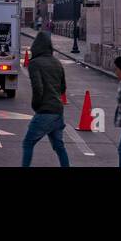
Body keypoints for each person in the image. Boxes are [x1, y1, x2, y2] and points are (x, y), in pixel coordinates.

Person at [21, 31, 70, 167]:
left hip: (45, 111)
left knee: (28, 143)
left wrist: (36, 105)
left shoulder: (34, 63)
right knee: (59, 147)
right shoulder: (57, 63)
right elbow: (63, 88)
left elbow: (38, 88)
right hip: (58, 111)